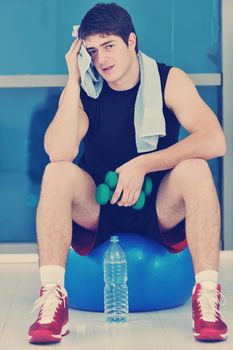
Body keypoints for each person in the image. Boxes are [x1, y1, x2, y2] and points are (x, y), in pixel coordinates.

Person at [28, 2, 228, 344]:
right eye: (92, 50)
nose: (102, 59)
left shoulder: (169, 80)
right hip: (99, 210)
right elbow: (58, 152)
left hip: (158, 208)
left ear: (131, 42)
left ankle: (207, 297)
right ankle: (52, 299)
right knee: (56, 173)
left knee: (196, 168)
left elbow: (215, 140)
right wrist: (73, 82)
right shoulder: (88, 89)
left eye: (109, 46)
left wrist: (143, 164)